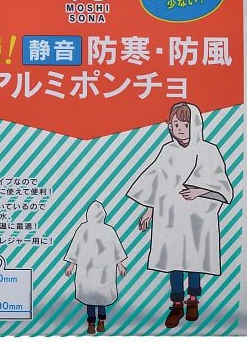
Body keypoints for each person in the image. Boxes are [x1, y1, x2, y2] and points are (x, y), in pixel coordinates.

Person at [126, 102, 233, 328]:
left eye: (185, 124)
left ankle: (193, 300)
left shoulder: (208, 151)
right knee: (173, 258)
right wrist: (149, 210)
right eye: (176, 124)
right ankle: (176, 304)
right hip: (171, 215)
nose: (181, 129)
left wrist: (199, 191)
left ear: (195, 124)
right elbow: (157, 183)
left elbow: (222, 186)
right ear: (170, 126)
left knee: (194, 257)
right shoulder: (168, 151)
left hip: (197, 216)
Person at [64, 201, 127, 334]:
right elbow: (76, 247)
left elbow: (115, 248)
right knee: (95, 296)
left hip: (101, 269)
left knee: (95, 296)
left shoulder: (97, 229)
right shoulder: (92, 229)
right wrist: (71, 265)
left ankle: (97, 322)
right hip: (93, 269)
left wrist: (120, 265)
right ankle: (94, 323)